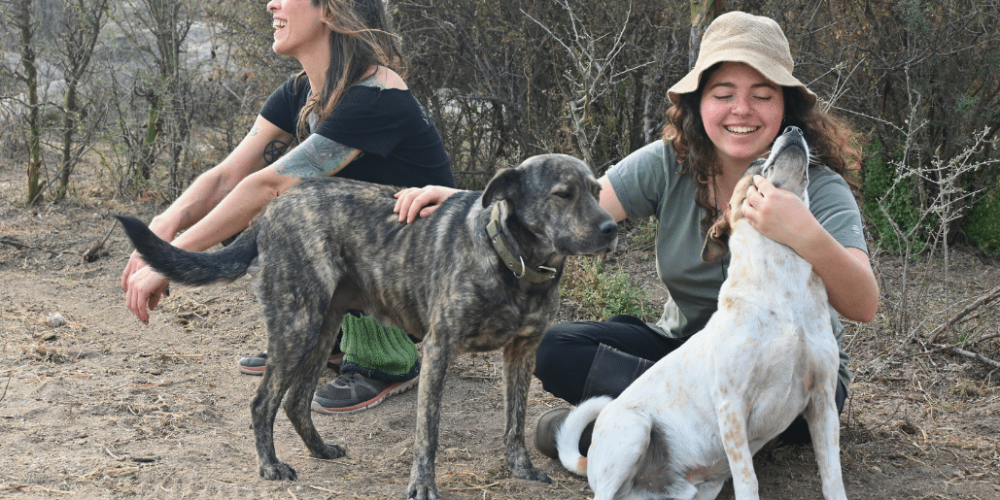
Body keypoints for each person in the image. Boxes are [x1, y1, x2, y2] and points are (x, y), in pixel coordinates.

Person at [392, 11, 878, 458]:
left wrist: (805, 232)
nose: (741, 110)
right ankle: (674, 426)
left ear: (785, 105)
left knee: (815, 398)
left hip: (785, 371)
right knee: (555, 347)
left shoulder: (814, 186)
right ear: (699, 102)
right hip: (686, 352)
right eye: (723, 93)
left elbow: (863, 304)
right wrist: (469, 201)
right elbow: (568, 206)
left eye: (763, 95)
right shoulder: (670, 161)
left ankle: (636, 430)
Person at [120, 0, 454, 414]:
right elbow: (227, 177)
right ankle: (326, 340)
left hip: (425, 285)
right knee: (276, 220)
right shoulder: (303, 91)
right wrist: (162, 226)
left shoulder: (377, 96)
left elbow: (270, 185)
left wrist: (171, 260)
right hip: (387, 262)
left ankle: (387, 360)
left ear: (330, 11)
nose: (270, 3)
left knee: (295, 208)